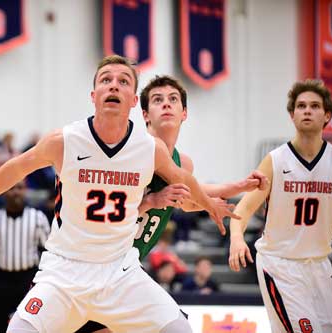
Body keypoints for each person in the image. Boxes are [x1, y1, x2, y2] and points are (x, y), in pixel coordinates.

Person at [0, 55, 239, 333]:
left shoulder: (149, 149)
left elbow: (184, 179)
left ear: (134, 100)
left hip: (119, 271)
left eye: (124, 81)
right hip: (64, 271)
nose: (114, 85)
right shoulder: (66, 140)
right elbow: (16, 167)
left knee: (179, 329)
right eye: (106, 79)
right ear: (93, 95)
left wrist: (209, 205)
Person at [77, 74, 268, 333]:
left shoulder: (182, 163)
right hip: (96, 261)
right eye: (157, 100)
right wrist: (152, 201)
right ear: (145, 115)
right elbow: (106, 212)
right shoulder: (134, 151)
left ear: (184, 113)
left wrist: (230, 190)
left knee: (174, 326)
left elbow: (185, 198)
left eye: (173, 99)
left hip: (126, 267)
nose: (166, 104)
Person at [228, 79, 332, 333]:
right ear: (292, 115)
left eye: (314, 106)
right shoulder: (275, 159)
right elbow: (244, 208)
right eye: (301, 106)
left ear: (327, 115)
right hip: (280, 264)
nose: (307, 110)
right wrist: (236, 238)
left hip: (319, 266)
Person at [0, 180, 51, 333]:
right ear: (3, 191)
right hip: (3, 279)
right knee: (1, 324)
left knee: (30, 323)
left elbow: (48, 253)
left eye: (20, 188)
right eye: (11, 188)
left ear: (26, 190)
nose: (16, 191)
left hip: (29, 279)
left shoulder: (38, 218)